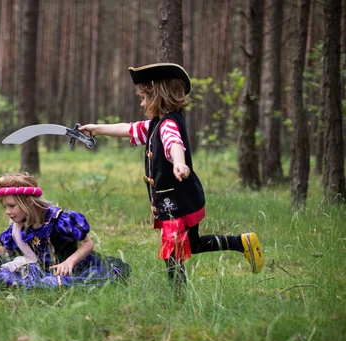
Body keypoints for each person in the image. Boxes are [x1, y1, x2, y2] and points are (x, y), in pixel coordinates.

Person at [79, 63, 263, 290]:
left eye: (144, 97)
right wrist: (97, 128)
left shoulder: (167, 125)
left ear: (158, 95)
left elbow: (174, 144)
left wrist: (179, 163)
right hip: (184, 199)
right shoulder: (158, 123)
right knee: (192, 244)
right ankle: (240, 242)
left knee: (172, 250)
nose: (142, 103)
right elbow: (129, 128)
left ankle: (178, 297)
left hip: (174, 203)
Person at [0, 173, 130, 288]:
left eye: (11, 206)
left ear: (28, 202)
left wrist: (69, 263)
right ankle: (4, 281)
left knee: (57, 281)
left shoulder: (59, 220)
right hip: (39, 267)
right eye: (5, 207)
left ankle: (40, 283)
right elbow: (6, 253)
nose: (7, 211)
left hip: (70, 268)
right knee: (15, 271)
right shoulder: (19, 227)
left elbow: (87, 244)